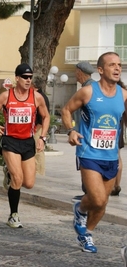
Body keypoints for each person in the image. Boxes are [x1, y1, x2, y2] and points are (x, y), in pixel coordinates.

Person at [61, 52, 127, 253]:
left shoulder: (123, 95)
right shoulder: (88, 92)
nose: (117, 68)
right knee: (97, 199)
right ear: (100, 70)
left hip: (111, 155)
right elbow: (65, 110)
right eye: (112, 65)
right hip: (89, 153)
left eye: (119, 65)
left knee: (102, 203)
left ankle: (86, 233)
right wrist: (71, 130)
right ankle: (81, 208)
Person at [0, 63, 50, 228]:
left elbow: (46, 117)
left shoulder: (36, 97)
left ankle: (9, 173)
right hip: (10, 141)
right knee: (18, 179)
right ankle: (13, 215)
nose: (28, 80)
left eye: (30, 77)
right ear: (17, 78)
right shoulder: (6, 96)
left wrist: (42, 138)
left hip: (28, 142)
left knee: (29, 183)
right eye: (25, 77)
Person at [72, 61, 96, 202]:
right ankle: (89, 192)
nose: (75, 74)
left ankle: (89, 193)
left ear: (80, 72)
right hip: (84, 132)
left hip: (87, 133)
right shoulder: (91, 86)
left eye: (76, 72)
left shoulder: (88, 89)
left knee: (86, 162)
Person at [32, 79, 50, 175]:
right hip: (37, 128)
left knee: (38, 150)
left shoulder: (40, 97)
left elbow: (42, 117)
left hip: (38, 128)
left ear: (34, 85)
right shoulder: (38, 95)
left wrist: (36, 130)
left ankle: (39, 172)